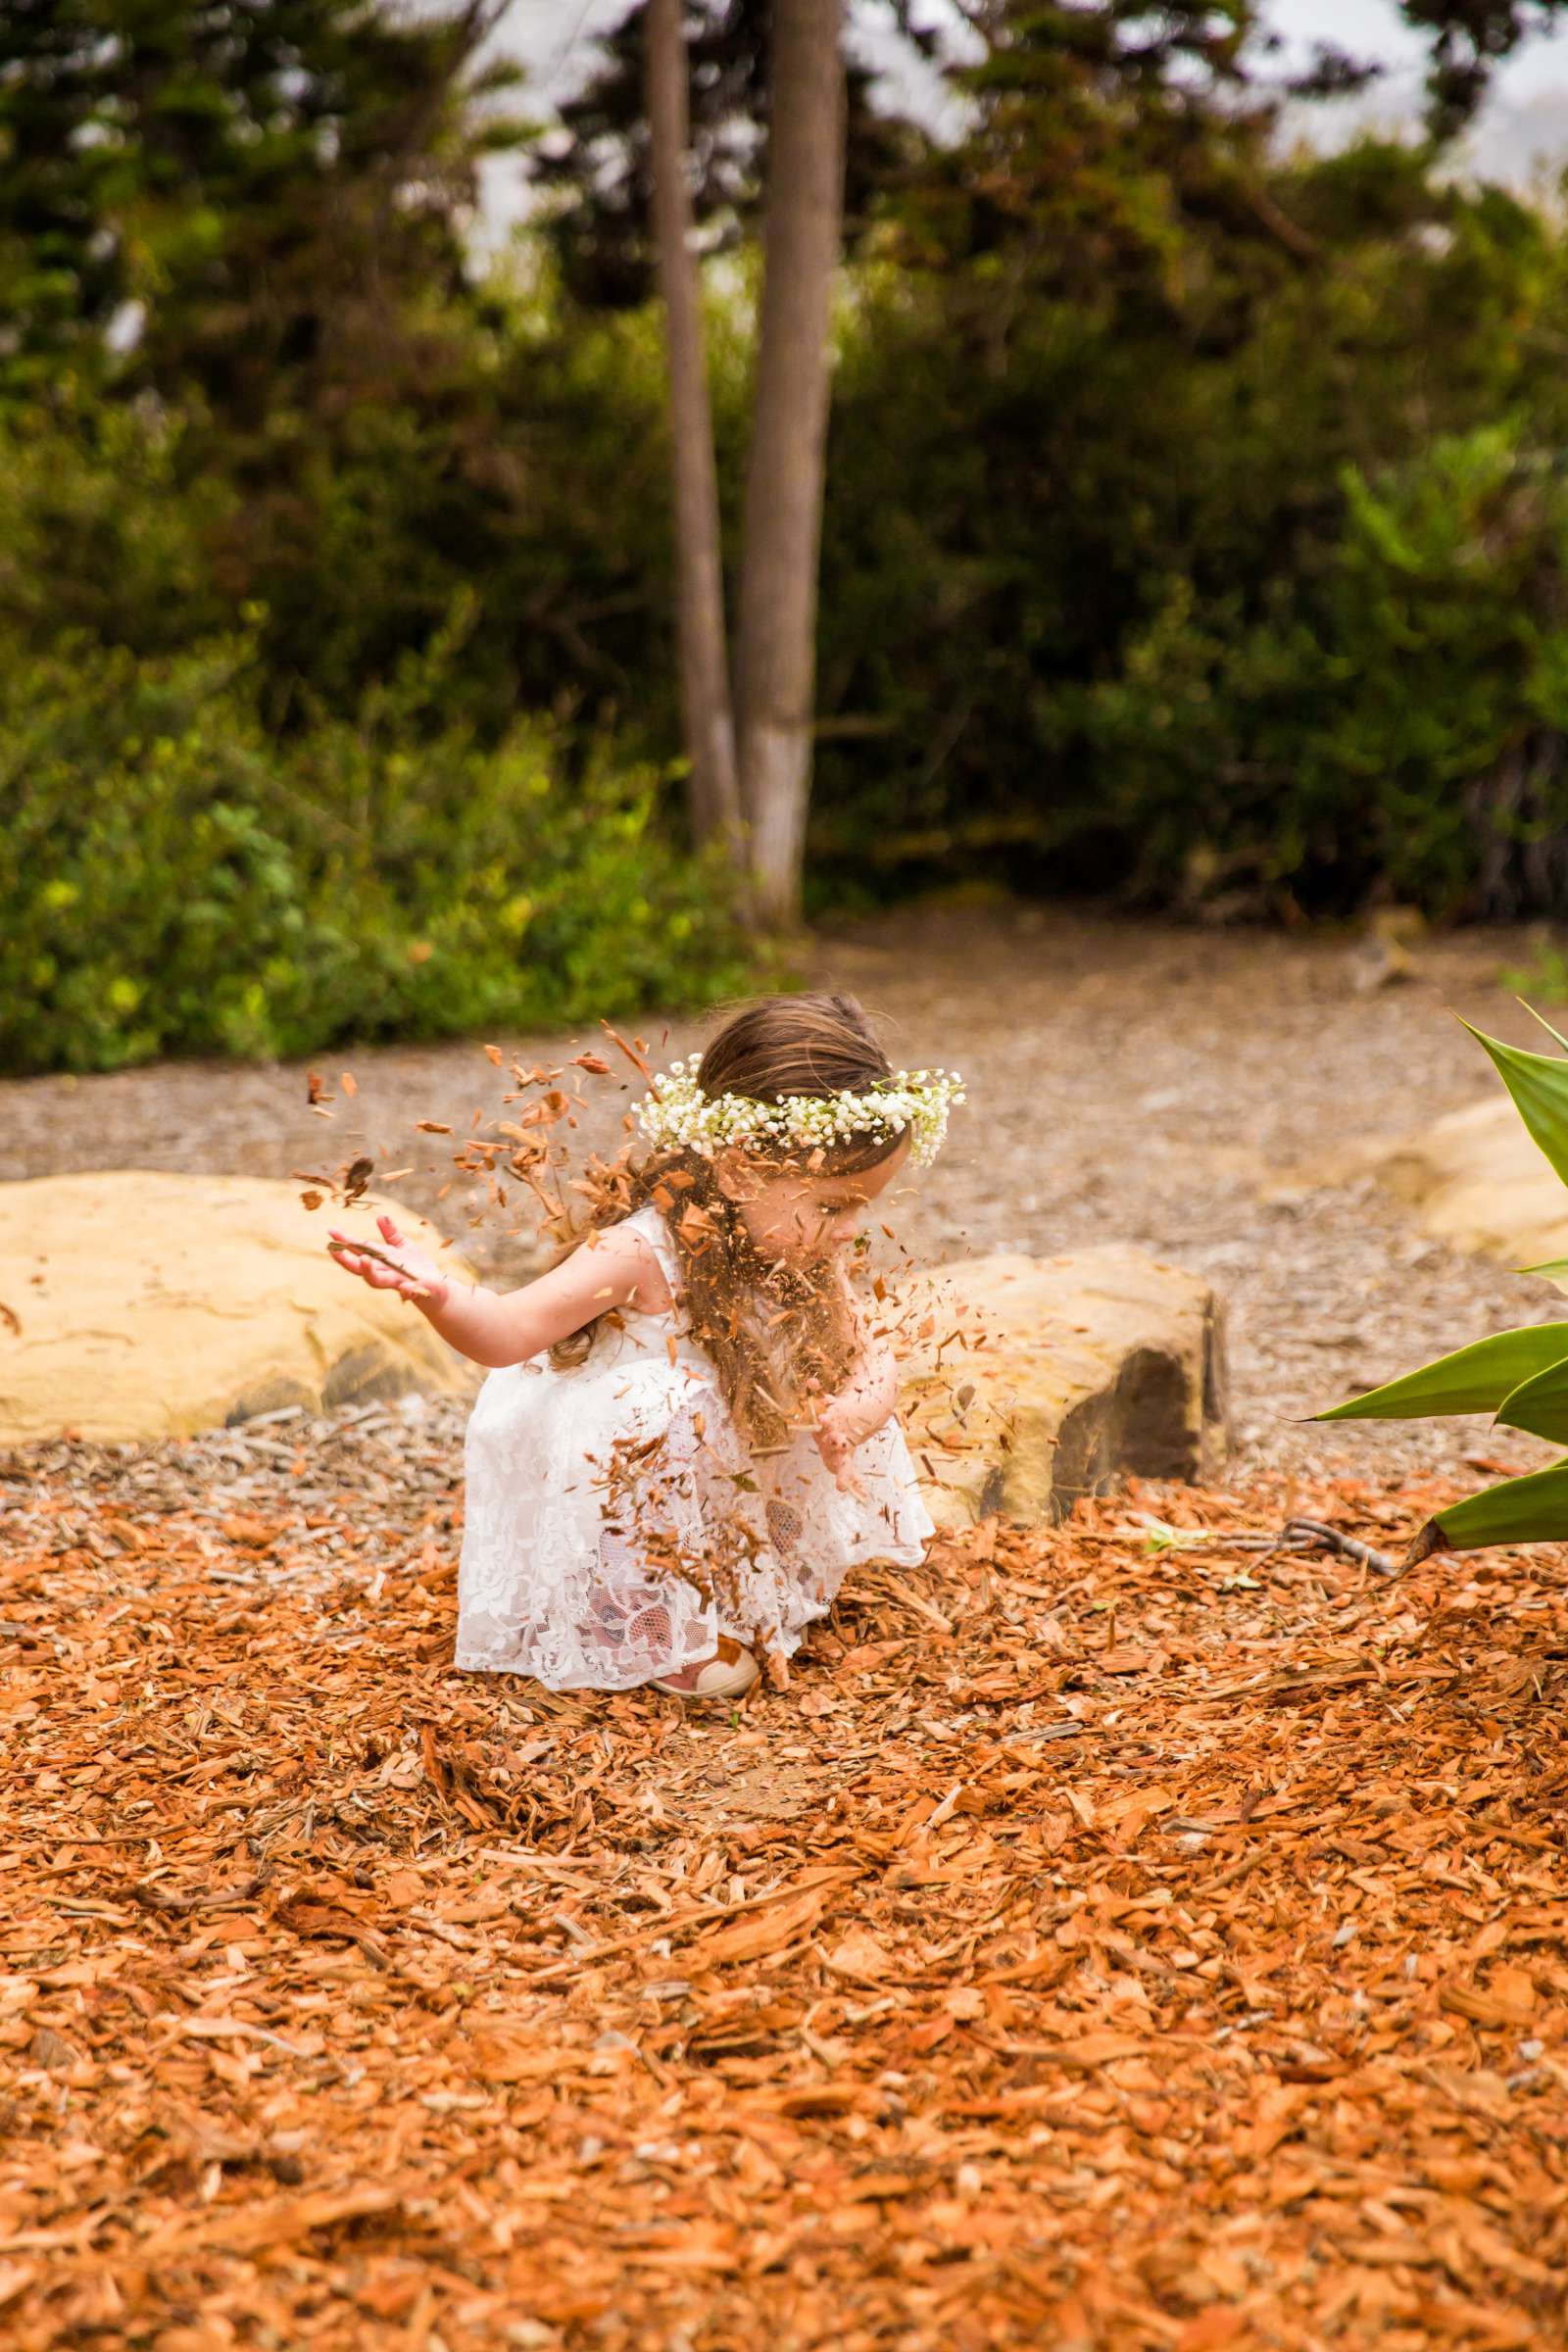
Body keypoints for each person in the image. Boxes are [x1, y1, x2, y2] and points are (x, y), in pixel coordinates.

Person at [328, 993, 963, 1699]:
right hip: (616, 1477)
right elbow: (509, 1333)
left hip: (723, 1463)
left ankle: (736, 1591)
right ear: (738, 1168)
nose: (848, 1229)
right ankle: (640, 1628)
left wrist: (852, 1415)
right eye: (833, 1205)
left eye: (860, 1208)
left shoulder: (803, 1255)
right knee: (663, 1406)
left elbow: (871, 1356)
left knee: (759, 1410)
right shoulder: (640, 1253)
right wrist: (440, 1294)